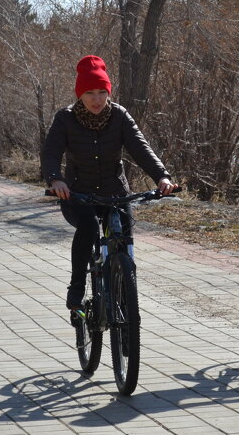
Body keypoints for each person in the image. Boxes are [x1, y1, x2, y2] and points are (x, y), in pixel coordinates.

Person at [43, 55, 177, 312]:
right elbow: (51, 152)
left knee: (124, 239)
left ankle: (128, 304)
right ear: (80, 94)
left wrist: (162, 176)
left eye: (102, 92)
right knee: (90, 227)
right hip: (78, 196)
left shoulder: (119, 116)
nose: (97, 99)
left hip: (116, 193)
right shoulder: (65, 119)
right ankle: (78, 285)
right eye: (90, 93)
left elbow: (141, 148)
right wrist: (55, 180)